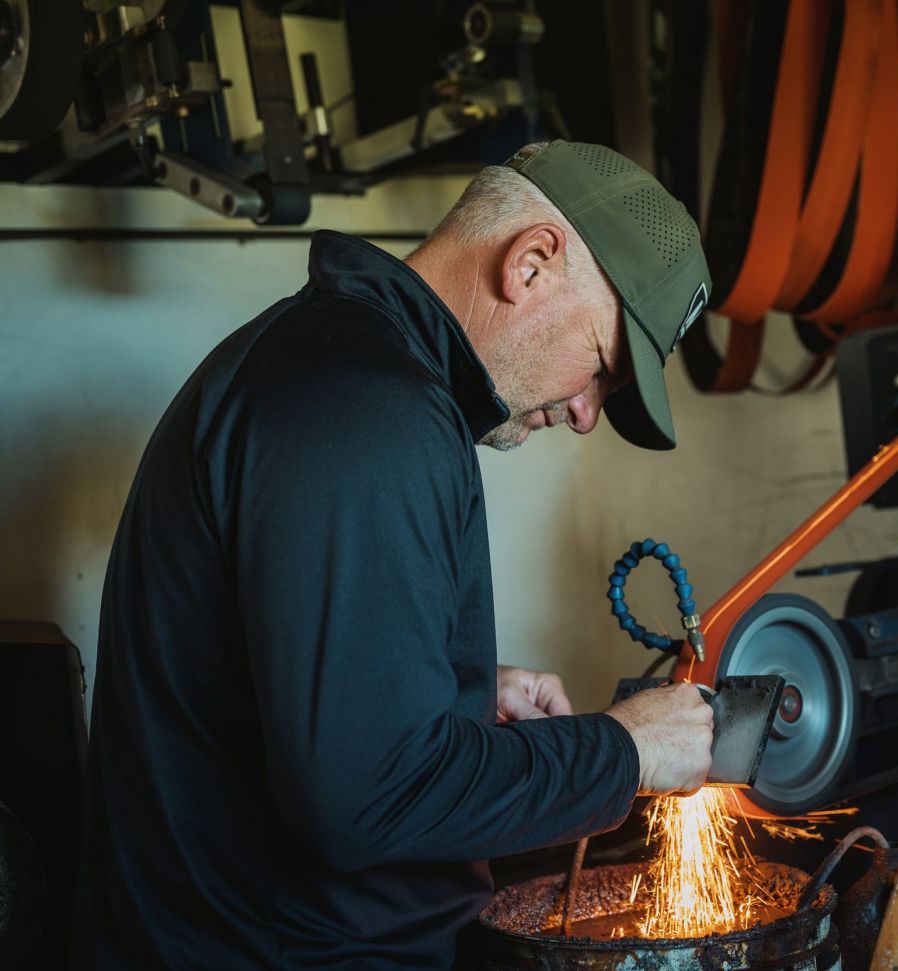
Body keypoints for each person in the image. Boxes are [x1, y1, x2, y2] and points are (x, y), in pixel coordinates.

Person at [72, 141, 716, 969]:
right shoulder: (369, 412)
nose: (588, 413)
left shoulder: (331, 367)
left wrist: (446, 693)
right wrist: (626, 751)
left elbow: (309, 709)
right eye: (601, 365)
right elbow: (366, 794)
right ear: (531, 263)